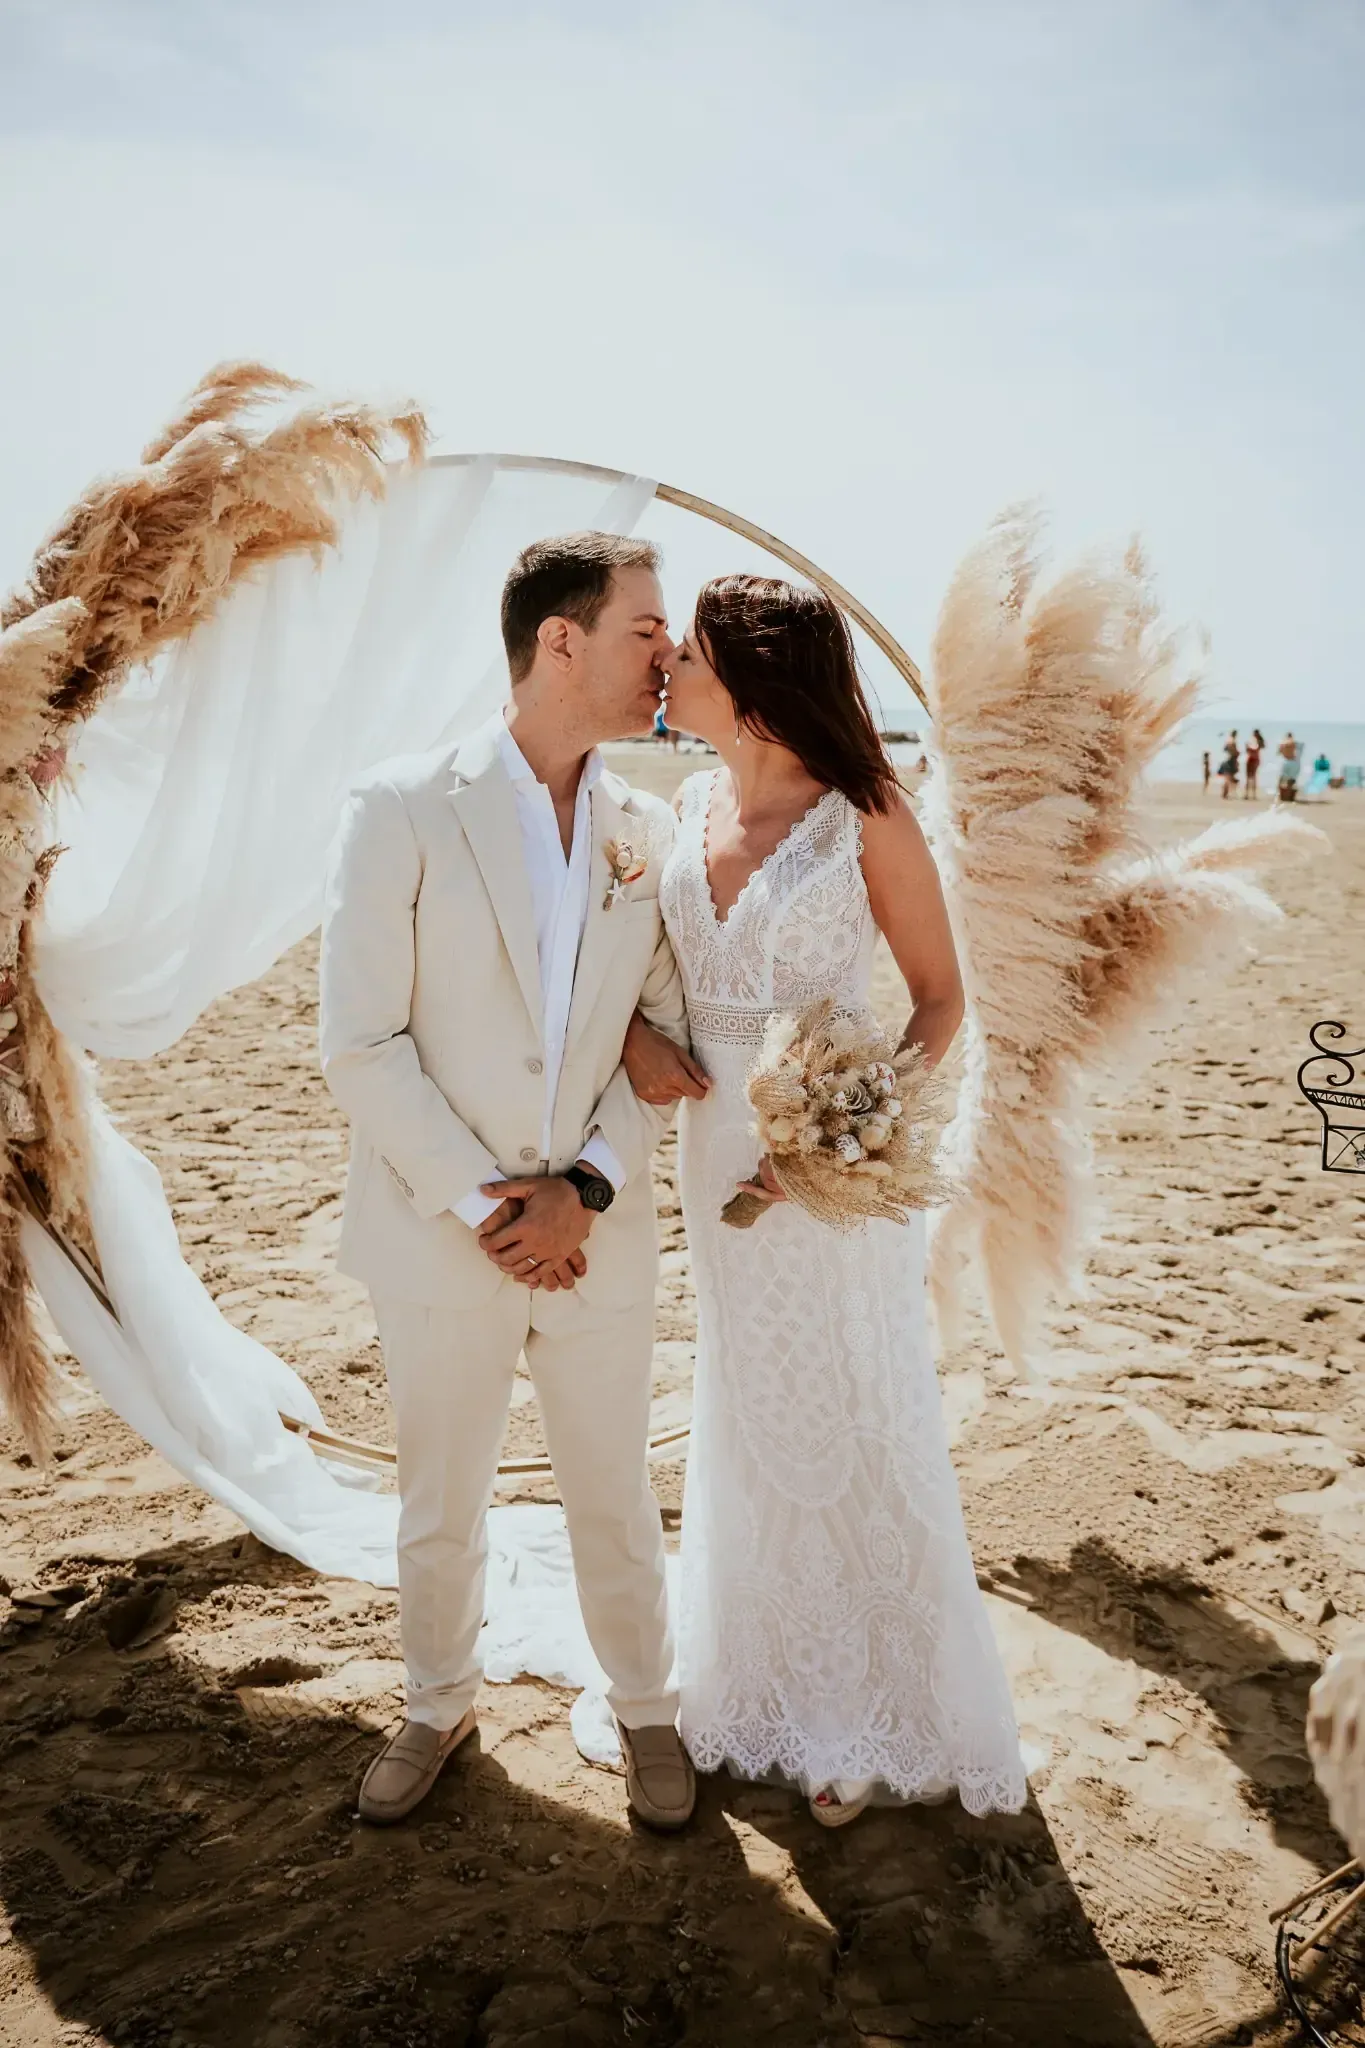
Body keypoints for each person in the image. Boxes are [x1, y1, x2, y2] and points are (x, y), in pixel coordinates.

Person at [320, 532, 710, 1831]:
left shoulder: (648, 828)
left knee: (615, 1493)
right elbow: (360, 1044)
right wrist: (496, 1204)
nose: (667, 652)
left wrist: (583, 1188)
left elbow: (664, 1039)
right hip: (444, 1235)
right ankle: (438, 1703)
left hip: (598, 1233)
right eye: (646, 628)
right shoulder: (400, 807)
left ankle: (647, 1708)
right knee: (440, 1502)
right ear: (561, 640)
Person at [623, 574, 1025, 1828]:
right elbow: (643, 971)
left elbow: (941, 998)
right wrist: (638, 1034)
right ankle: (756, 1670)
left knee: (851, 1400)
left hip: (835, 1171)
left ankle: (858, 1704)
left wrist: (848, 1135)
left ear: (751, 683)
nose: (667, 669)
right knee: (747, 1398)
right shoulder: (684, 805)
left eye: (689, 655)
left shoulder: (866, 814)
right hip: (713, 1155)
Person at [1277, 729, 1300, 800]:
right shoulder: (1294, 742)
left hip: (1287, 761)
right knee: (1291, 780)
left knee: (1282, 779)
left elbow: (1279, 752)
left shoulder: (1284, 743)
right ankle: (1288, 796)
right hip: (1293, 761)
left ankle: (1281, 795)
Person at [1218, 729, 1239, 799]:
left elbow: (1224, 749)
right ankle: (1225, 794)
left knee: (1227, 778)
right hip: (1231, 760)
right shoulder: (1233, 741)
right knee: (1228, 778)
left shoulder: (1228, 741)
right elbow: (1234, 752)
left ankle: (1225, 793)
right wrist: (1237, 753)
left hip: (1227, 759)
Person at [1244, 729, 1264, 799]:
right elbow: (1249, 750)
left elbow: (1252, 749)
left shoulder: (1258, 741)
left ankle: (1251, 794)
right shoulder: (1256, 741)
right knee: (1250, 777)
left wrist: (1248, 747)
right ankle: (1249, 794)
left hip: (1253, 759)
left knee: (1252, 777)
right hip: (1253, 759)